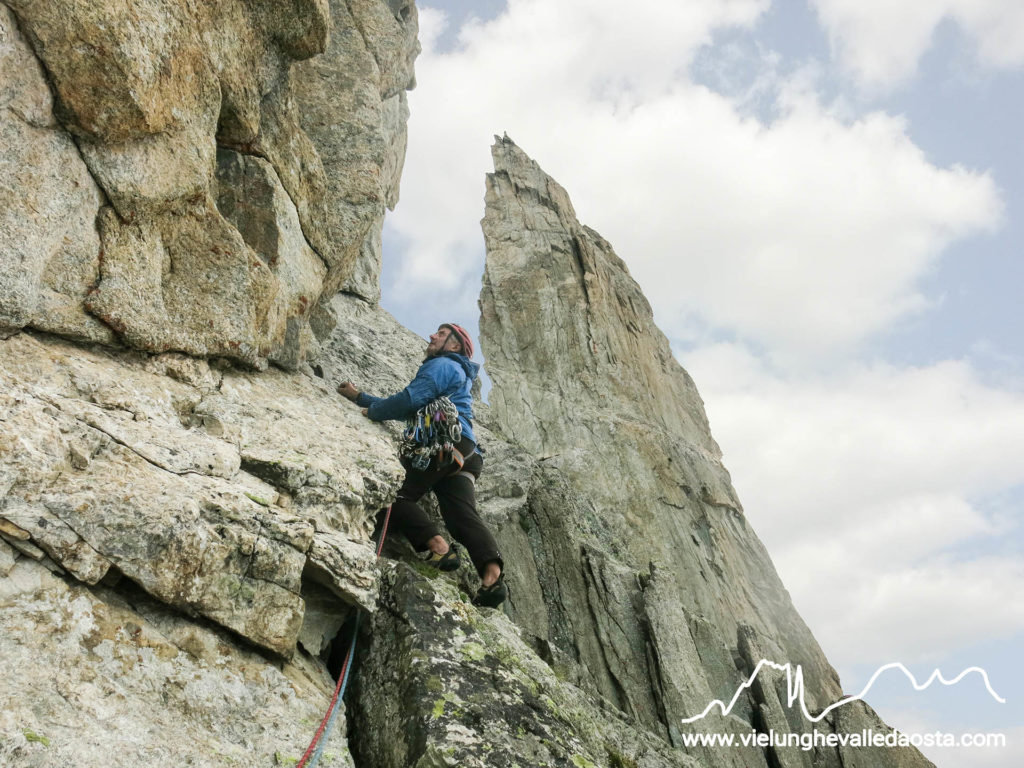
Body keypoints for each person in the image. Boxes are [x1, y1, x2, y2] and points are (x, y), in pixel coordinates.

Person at [337, 323, 507, 608]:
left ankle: (438, 548)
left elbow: (409, 400)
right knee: (460, 514)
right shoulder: (457, 373)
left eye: (441, 334)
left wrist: (373, 411)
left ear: (454, 346)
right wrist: (360, 397)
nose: (432, 335)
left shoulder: (442, 364)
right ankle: (492, 577)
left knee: (394, 494)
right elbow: (417, 411)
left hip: (442, 442)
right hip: (465, 449)